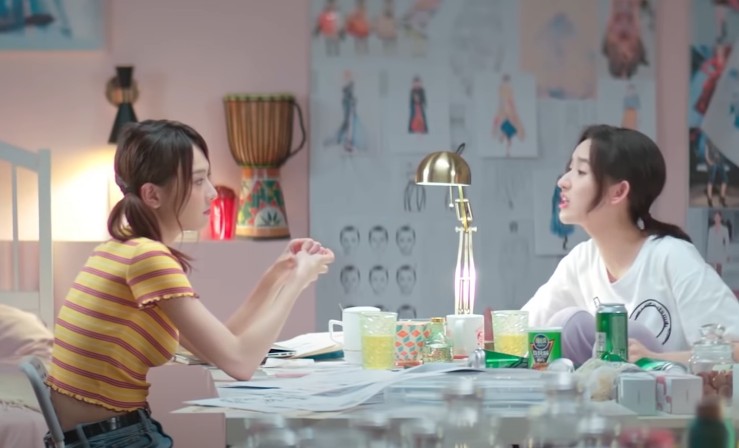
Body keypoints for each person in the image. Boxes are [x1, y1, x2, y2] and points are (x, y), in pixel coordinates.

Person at [45, 120, 334, 447]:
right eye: (198, 181)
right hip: (115, 439)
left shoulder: (120, 249)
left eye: (208, 177)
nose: (213, 192)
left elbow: (218, 347)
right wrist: (299, 281)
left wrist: (278, 275)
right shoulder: (147, 258)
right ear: (153, 194)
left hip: (104, 435)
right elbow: (241, 363)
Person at [521, 124, 739, 366]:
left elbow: (736, 349)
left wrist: (656, 359)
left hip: (673, 390)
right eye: (569, 169)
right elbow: (522, 332)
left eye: (581, 171)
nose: (563, 181)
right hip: (605, 392)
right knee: (570, 321)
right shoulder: (580, 262)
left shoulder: (673, 256)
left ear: (618, 192)